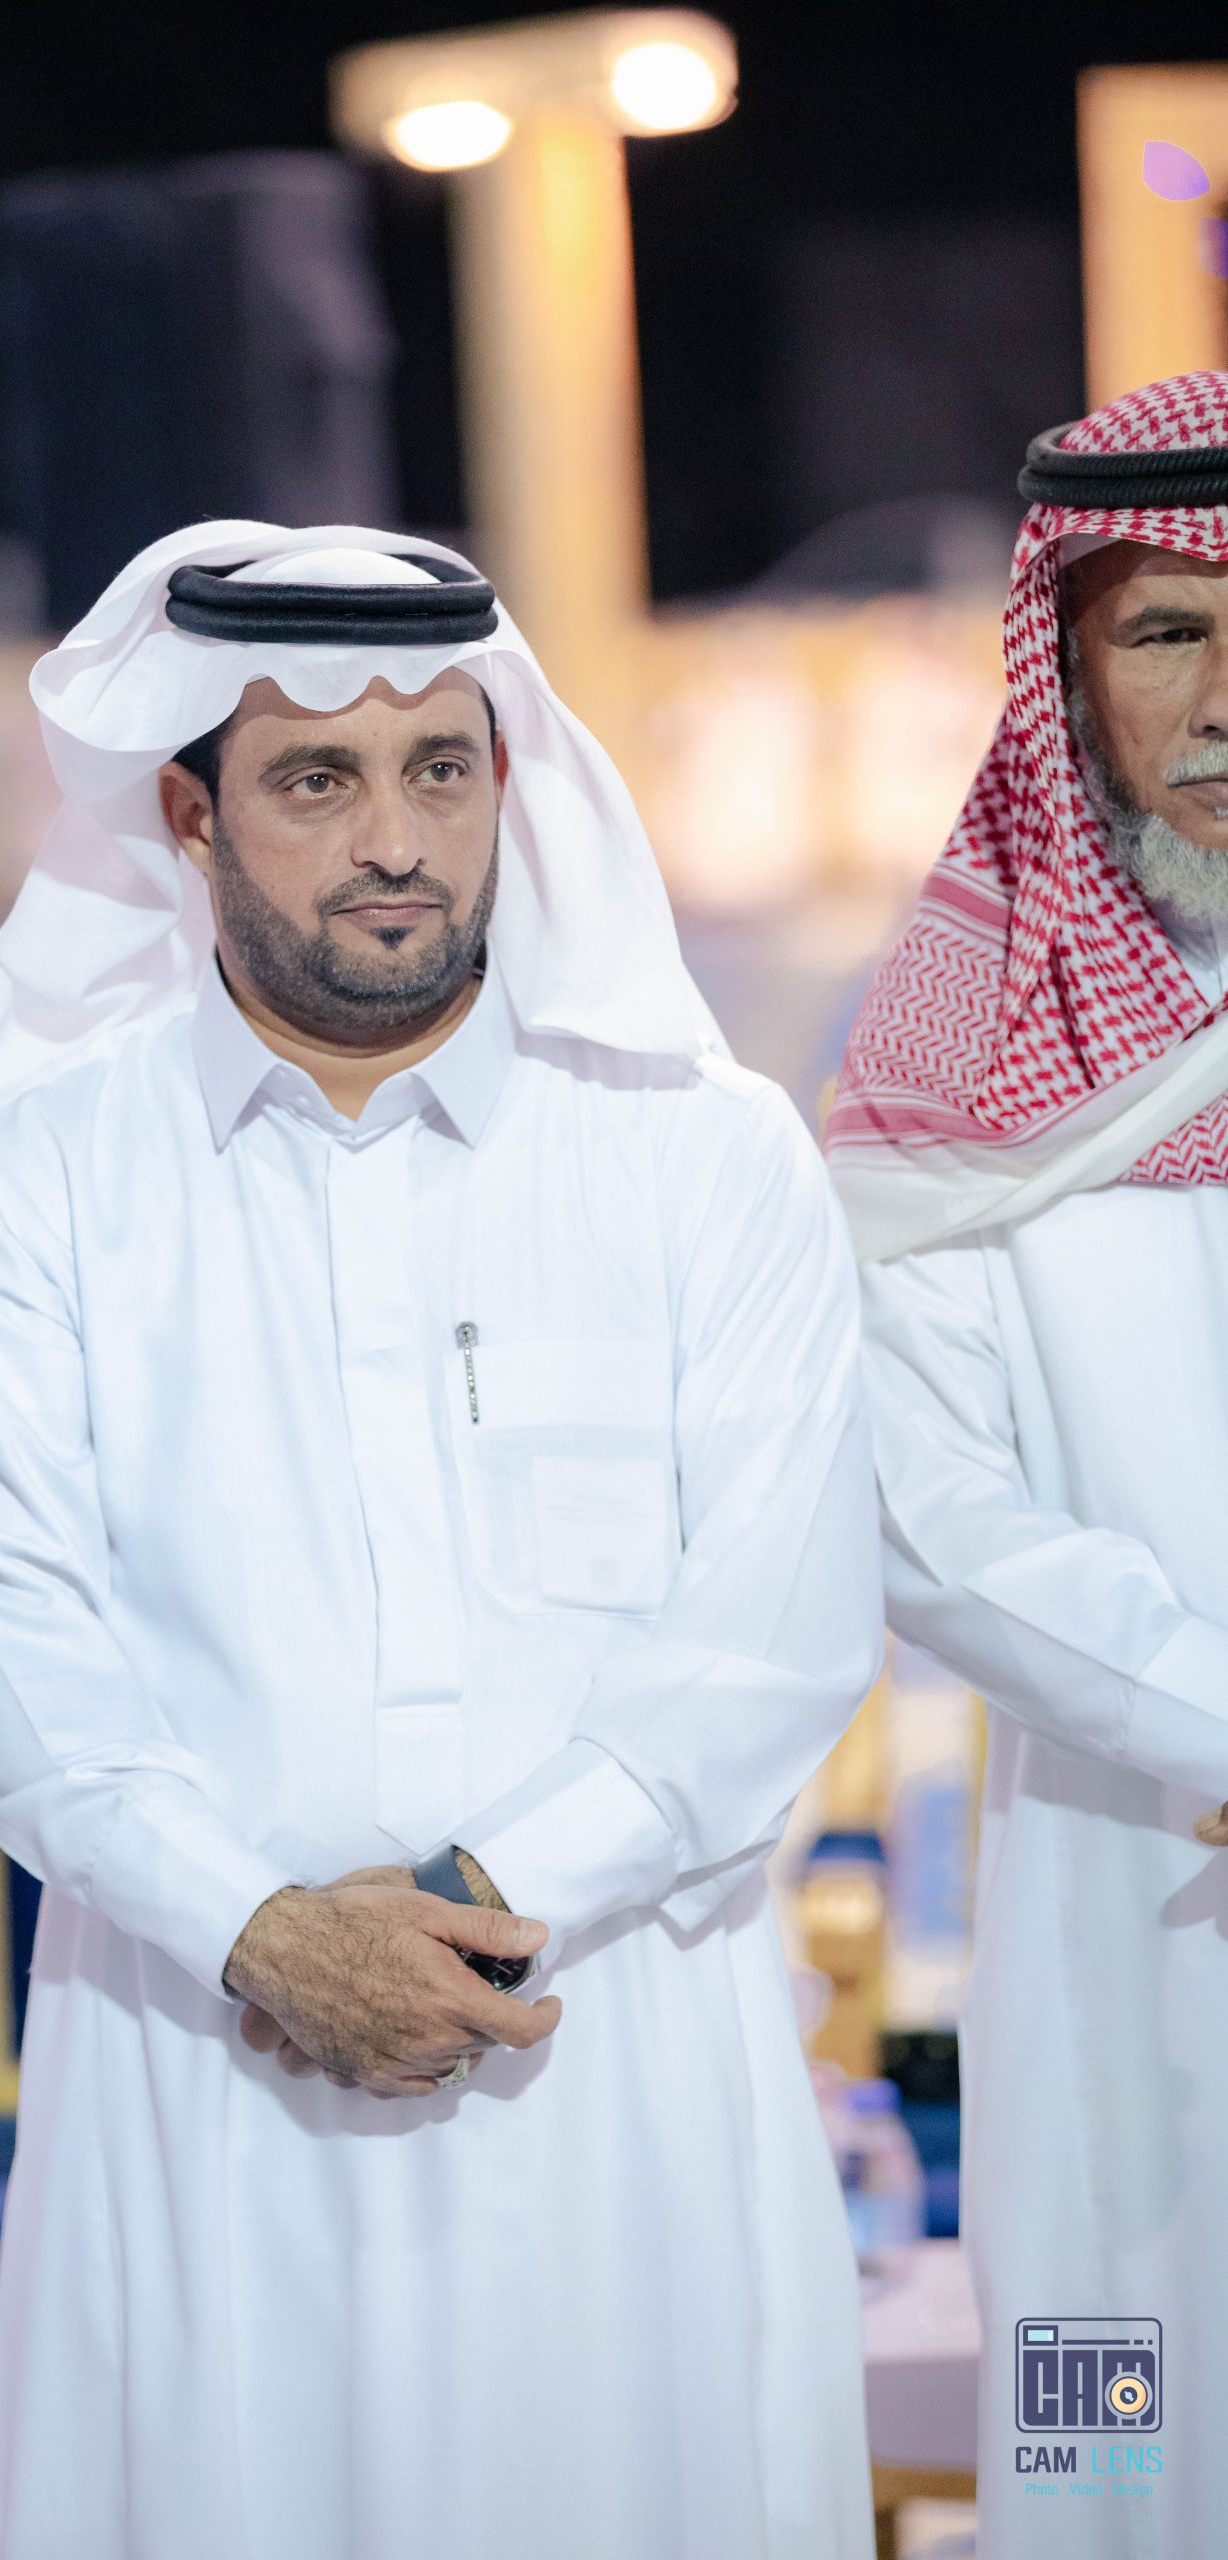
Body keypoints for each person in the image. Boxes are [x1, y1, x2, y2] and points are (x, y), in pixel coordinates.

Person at [0, 523, 885, 2560]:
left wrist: (475, 1901)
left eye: (439, 769)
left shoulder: (698, 1157)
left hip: (606, 2080)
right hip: (207, 2063)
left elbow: (775, 1629)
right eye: (314, 778)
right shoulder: (34, 1179)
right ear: (188, 813)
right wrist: (263, 1931)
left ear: (503, 782)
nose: (392, 838)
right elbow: (6, 1628)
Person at [828, 370, 1228, 2558]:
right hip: (1127, 1914)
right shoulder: (963, 1075)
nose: (1225, 692)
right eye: (1167, 630)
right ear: (1067, 672)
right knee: (1116, 2452)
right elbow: (924, 1509)